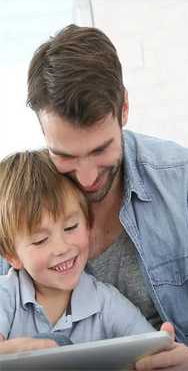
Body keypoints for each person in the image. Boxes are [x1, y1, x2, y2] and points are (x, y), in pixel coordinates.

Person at [0, 24, 188, 370]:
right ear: (42, 129)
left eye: (101, 150)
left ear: (124, 108)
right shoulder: (17, 205)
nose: (86, 178)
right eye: (65, 155)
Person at [0, 150, 159, 353]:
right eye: (40, 240)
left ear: (88, 225)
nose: (61, 248)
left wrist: (162, 351)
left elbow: (153, 349)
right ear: (12, 256)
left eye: (71, 227)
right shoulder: (6, 296)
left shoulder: (106, 302)